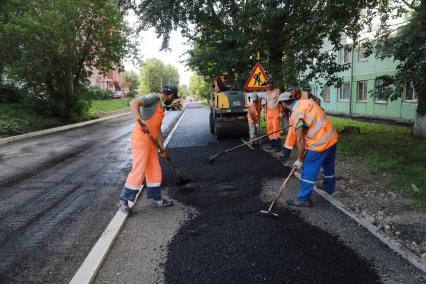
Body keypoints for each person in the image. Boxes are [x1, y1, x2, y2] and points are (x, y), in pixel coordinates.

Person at [119, 84, 177, 213]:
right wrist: (141, 121)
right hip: (141, 139)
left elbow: (158, 129)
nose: (173, 101)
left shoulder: (162, 108)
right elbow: (133, 102)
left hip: (151, 142)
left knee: (154, 170)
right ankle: (124, 200)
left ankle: (157, 199)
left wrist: (162, 148)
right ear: (171, 95)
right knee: (139, 170)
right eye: (173, 98)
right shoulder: (154, 98)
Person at [278, 92, 338, 207]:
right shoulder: (306, 102)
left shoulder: (296, 114)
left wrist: (300, 159)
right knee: (328, 165)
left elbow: (300, 139)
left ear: (284, 104)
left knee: (308, 169)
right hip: (331, 137)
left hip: (319, 142)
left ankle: (303, 198)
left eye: (280, 104)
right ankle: (329, 187)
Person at [263, 76, 282, 152]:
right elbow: (266, 104)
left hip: (275, 112)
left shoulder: (277, 91)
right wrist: (265, 113)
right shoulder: (266, 93)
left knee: (276, 129)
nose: (269, 85)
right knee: (269, 129)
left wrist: (281, 112)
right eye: (267, 84)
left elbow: (281, 102)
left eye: (270, 83)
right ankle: (272, 145)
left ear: (272, 84)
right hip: (268, 112)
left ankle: (278, 146)